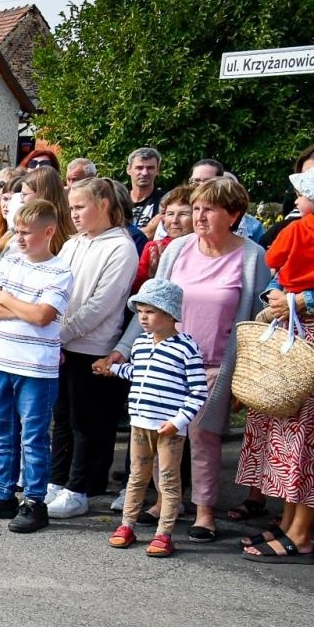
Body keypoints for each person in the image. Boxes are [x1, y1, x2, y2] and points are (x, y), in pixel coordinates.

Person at [104, 177, 265, 540]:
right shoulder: (178, 249)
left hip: (217, 364)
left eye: (209, 209)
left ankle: (204, 511)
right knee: (161, 432)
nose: (200, 216)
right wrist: (125, 349)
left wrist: (244, 374)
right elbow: (152, 303)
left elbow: (256, 319)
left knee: (204, 435)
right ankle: (164, 503)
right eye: (196, 208)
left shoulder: (252, 256)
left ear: (234, 214)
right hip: (164, 359)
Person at [236, 161, 314, 562]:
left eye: (303, 191)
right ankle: (290, 522)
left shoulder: (298, 229)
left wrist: (295, 299)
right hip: (306, 335)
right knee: (295, 434)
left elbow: (277, 262)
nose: (296, 196)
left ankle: (301, 532)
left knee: (308, 437)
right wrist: (281, 300)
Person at [0, 200, 74, 532]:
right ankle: (3, 493)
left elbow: (43, 316)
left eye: (26, 233)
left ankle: (35, 500)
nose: (20, 239)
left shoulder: (60, 271)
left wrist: (8, 299)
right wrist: (23, 307)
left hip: (36, 365)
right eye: (17, 231)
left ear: (48, 231)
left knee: (34, 434)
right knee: (2, 429)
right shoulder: (10, 261)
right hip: (1, 358)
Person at [45, 178, 138, 519]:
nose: (75, 214)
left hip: (91, 345)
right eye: (71, 208)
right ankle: (57, 481)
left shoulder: (121, 247)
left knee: (87, 421)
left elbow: (102, 304)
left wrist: (63, 333)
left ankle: (78, 488)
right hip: (65, 341)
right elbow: (59, 286)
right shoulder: (73, 243)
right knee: (64, 417)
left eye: (80, 207)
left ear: (103, 204)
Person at [97, 279, 208, 558]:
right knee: (137, 477)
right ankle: (127, 525)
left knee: (168, 481)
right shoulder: (141, 344)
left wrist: (179, 421)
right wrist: (112, 370)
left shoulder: (186, 348)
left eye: (151, 311)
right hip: (139, 423)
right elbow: (137, 373)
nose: (143, 317)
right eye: (141, 311)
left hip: (169, 428)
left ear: (171, 314)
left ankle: (164, 533)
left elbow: (198, 391)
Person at [131, 186, 193, 293]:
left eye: (183, 214)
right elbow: (136, 289)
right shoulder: (153, 247)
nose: (174, 220)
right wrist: (152, 277)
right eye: (170, 214)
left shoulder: (203, 247)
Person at [125, 148, 164, 242]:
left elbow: (151, 234)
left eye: (150, 168)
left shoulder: (166, 200)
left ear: (157, 170)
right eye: (139, 168)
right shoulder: (118, 200)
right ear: (128, 169)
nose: (145, 173)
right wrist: (148, 230)